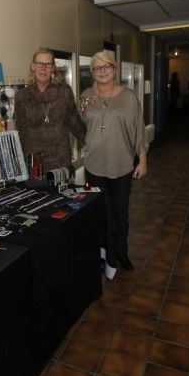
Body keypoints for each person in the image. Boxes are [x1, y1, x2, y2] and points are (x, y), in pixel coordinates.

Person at [79, 51, 148, 271]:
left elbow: (138, 129)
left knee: (120, 213)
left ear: (114, 69)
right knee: (100, 213)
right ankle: (104, 256)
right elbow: (78, 126)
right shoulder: (86, 97)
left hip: (121, 165)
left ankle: (121, 252)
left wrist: (142, 160)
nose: (102, 71)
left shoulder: (129, 97)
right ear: (92, 72)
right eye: (97, 68)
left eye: (106, 66)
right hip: (94, 166)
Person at [14, 48, 86, 172]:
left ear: (53, 68)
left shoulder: (64, 91)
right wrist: (19, 165)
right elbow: (20, 133)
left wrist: (94, 142)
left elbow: (76, 124)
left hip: (61, 161)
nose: (43, 68)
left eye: (47, 64)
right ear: (33, 67)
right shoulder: (22, 96)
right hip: (34, 163)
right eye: (39, 64)